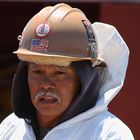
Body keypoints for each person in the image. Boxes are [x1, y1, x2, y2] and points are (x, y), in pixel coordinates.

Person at [0, 3, 134, 140]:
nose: (46, 84)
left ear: (84, 80)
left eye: (59, 73)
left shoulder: (109, 134)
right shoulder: (11, 128)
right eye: (38, 72)